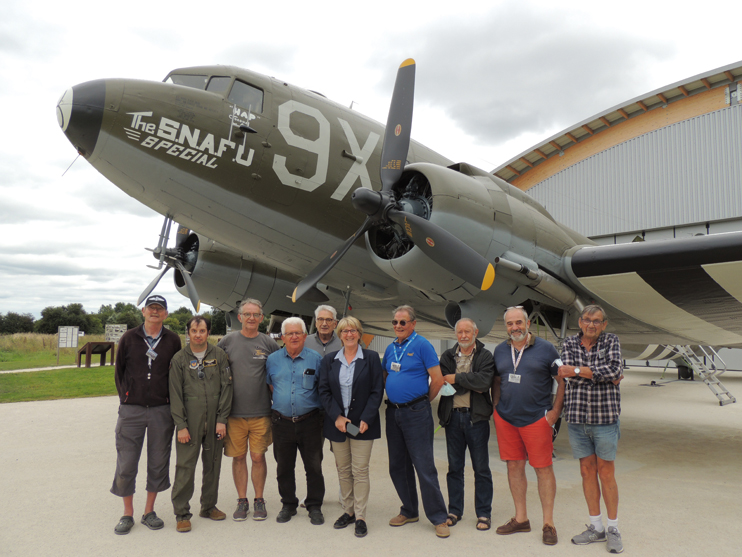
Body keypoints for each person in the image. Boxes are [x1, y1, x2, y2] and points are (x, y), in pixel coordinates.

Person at [492, 306, 564, 545]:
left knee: (543, 469)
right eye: (510, 324)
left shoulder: (546, 349)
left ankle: (548, 523)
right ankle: (521, 519)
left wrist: (555, 411)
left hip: (536, 418)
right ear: (506, 327)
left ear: (528, 323)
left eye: (518, 323)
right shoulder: (500, 350)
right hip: (507, 419)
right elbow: (497, 380)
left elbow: (561, 380)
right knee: (514, 467)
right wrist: (496, 408)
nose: (515, 328)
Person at [111, 295, 182, 535]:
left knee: (158, 461)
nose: (155, 312)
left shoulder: (172, 340)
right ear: (143, 311)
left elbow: (176, 373)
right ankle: (127, 513)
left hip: (161, 410)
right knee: (126, 462)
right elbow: (119, 371)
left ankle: (149, 511)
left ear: (165, 314)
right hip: (132, 410)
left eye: (159, 309)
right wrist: (127, 397)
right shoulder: (129, 338)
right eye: (151, 308)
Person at [557, 304, 624, 554]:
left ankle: (613, 528)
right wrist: (595, 374)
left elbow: (614, 370)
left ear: (604, 324)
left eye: (597, 321)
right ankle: (596, 527)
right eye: (587, 320)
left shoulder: (611, 341)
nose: (591, 324)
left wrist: (576, 370)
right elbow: (566, 375)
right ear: (580, 322)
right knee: (587, 472)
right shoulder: (570, 343)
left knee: (606, 472)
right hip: (576, 418)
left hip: (605, 418)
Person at [383, 305, 450, 539]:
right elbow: (385, 376)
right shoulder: (391, 348)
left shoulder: (422, 345)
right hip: (393, 413)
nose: (398, 326)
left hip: (416, 413)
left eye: (403, 322)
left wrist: (421, 401)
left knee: (424, 466)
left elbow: (438, 380)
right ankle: (409, 510)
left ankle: (439, 517)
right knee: (398, 466)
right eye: (395, 322)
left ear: (413, 323)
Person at [318, 316, 384, 538]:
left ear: (359, 333)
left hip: (363, 425)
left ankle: (361, 515)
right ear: (340, 334)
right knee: (343, 470)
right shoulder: (329, 360)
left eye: (353, 330)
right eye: (345, 331)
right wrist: (336, 416)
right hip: (338, 424)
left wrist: (367, 417)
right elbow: (324, 391)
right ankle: (348, 511)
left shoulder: (372, 358)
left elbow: (377, 390)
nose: (349, 334)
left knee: (360, 470)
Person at [217, 299, 279, 521]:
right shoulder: (227, 341)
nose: (251, 318)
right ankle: (242, 500)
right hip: (233, 414)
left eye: (256, 314)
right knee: (239, 457)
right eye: (247, 314)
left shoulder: (269, 344)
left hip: (262, 412)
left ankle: (259, 499)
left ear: (262, 318)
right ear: (240, 317)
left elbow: (278, 373)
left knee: (258, 457)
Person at [169, 316, 233, 532]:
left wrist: (222, 420)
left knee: (213, 465)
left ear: (208, 333)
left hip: (215, 421)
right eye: (194, 331)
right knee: (185, 467)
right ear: (188, 333)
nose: (198, 335)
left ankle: (208, 506)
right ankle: (182, 514)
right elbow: (175, 395)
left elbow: (227, 388)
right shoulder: (179, 359)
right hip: (190, 422)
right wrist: (181, 425)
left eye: (202, 331)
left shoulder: (219, 356)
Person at [266, 317, 325, 525]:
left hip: (310, 422)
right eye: (289, 333)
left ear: (304, 336)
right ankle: (288, 504)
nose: (293, 337)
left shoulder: (316, 359)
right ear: (282, 337)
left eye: (297, 333)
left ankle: (314, 505)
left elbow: (322, 388)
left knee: (314, 466)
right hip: (281, 423)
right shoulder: (272, 360)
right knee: (283, 467)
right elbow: (271, 386)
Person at [438, 318, 495, 531]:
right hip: (453, 418)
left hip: (476, 419)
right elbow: (446, 381)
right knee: (455, 468)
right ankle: (454, 510)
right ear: (456, 334)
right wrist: (472, 381)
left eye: (467, 331)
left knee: (481, 469)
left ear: (475, 332)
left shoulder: (485, 356)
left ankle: (483, 513)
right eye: (460, 332)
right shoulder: (447, 356)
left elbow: (484, 382)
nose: (463, 335)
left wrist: (458, 378)